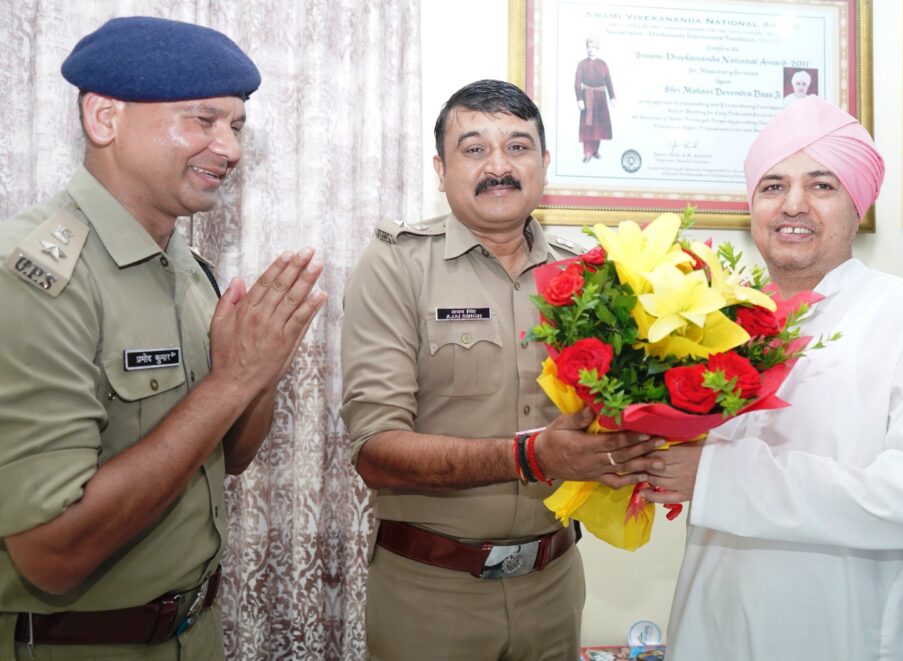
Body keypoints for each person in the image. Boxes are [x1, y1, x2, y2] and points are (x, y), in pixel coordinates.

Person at [0, 16, 327, 660]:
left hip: (192, 633)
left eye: (236, 126)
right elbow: (51, 553)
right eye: (202, 120)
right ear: (104, 119)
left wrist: (256, 372)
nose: (229, 148)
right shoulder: (35, 278)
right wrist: (232, 380)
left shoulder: (186, 266)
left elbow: (227, 457)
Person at [625, 96, 903, 660]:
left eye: (821, 185)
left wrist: (718, 477)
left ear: (857, 204)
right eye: (772, 186)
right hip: (713, 626)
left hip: (849, 634)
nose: (793, 205)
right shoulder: (712, 320)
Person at [340, 79, 660, 660]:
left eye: (517, 147)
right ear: (441, 169)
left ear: (543, 163)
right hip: (432, 592)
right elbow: (375, 452)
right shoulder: (397, 265)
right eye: (474, 149)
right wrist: (530, 457)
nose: (499, 166)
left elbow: (618, 412)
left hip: (554, 584)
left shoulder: (591, 276)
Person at [575, 36, 616, 163]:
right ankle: (587, 152)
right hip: (587, 98)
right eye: (589, 47)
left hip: (600, 100)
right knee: (587, 126)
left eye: (593, 47)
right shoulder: (582, 64)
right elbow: (577, 82)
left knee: (598, 127)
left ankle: (595, 151)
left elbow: (609, 81)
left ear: (597, 48)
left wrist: (613, 97)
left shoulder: (603, 64)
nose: (591, 50)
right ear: (586, 49)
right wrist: (579, 99)